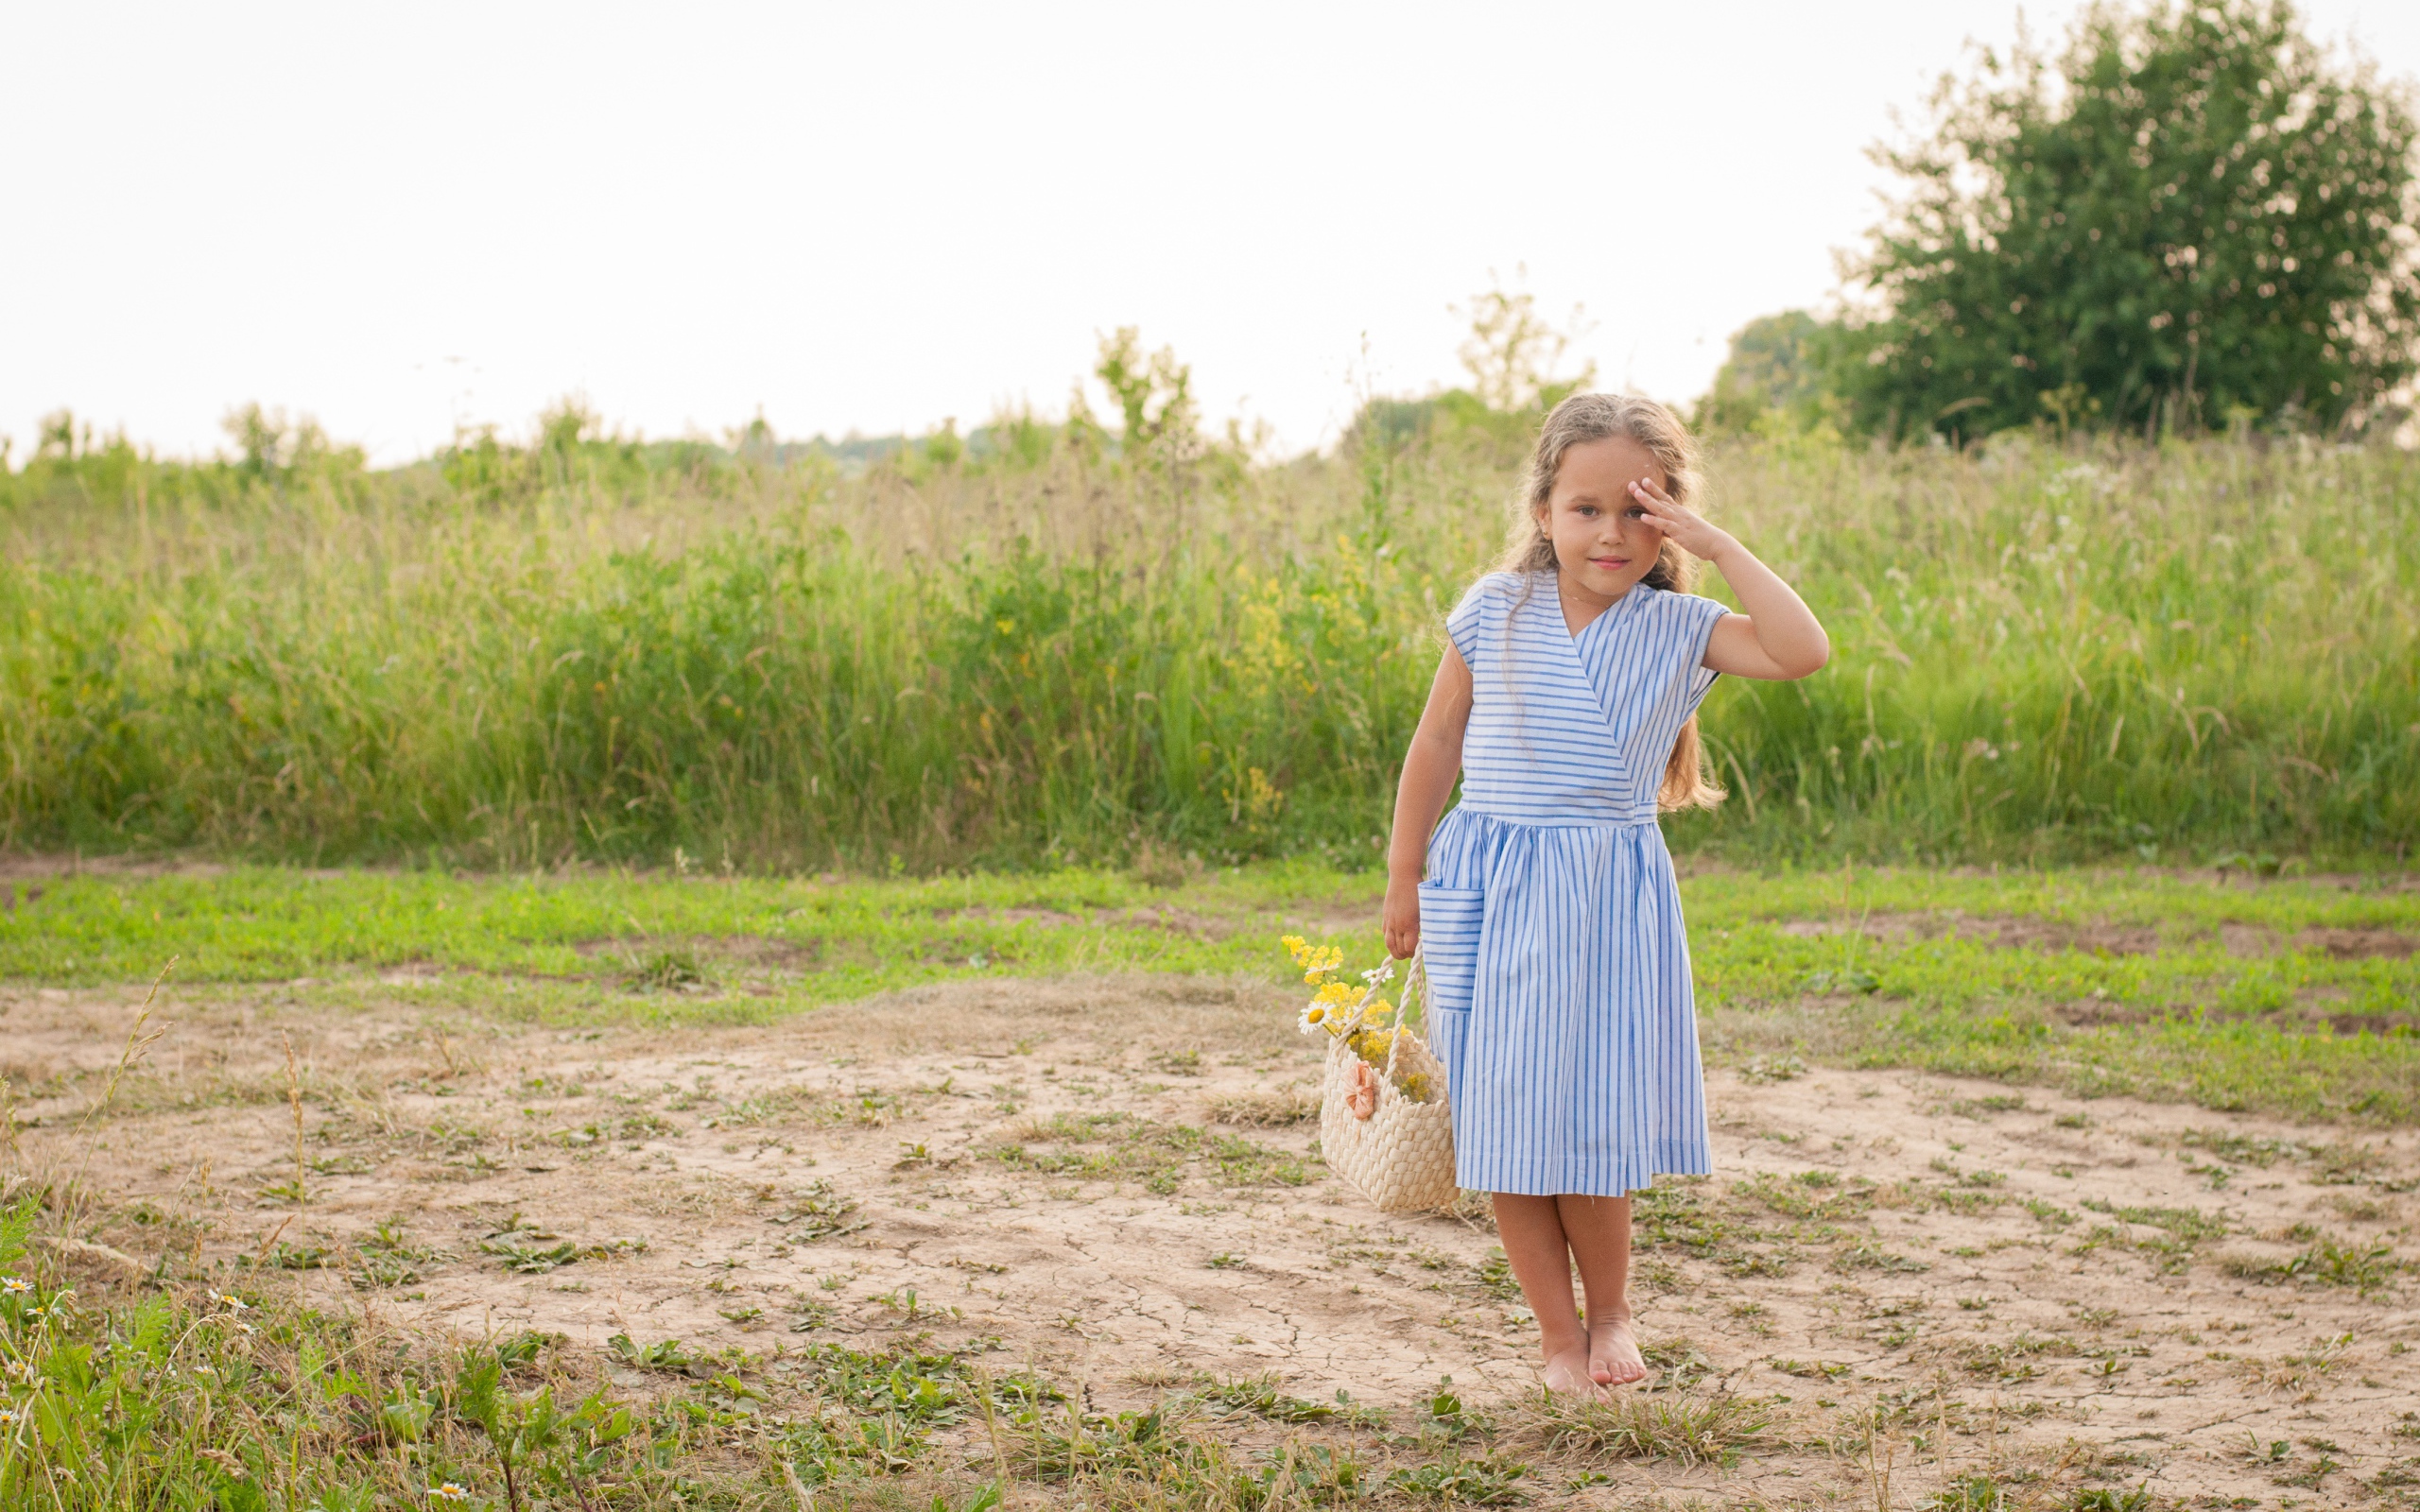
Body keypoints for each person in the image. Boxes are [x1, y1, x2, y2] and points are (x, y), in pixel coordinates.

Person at [1381, 391, 1828, 1397]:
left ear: (1671, 516)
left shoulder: (1680, 626)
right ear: (1544, 511)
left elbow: (1803, 651)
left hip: (1603, 902)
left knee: (1591, 1117)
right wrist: (1404, 871)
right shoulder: (1495, 609)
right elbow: (1437, 740)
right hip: (1490, 891)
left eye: (1640, 509)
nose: (1612, 533)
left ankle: (1613, 1312)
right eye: (1586, 509)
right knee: (1503, 1123)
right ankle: (1556, 1336)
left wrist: (1717, 545)